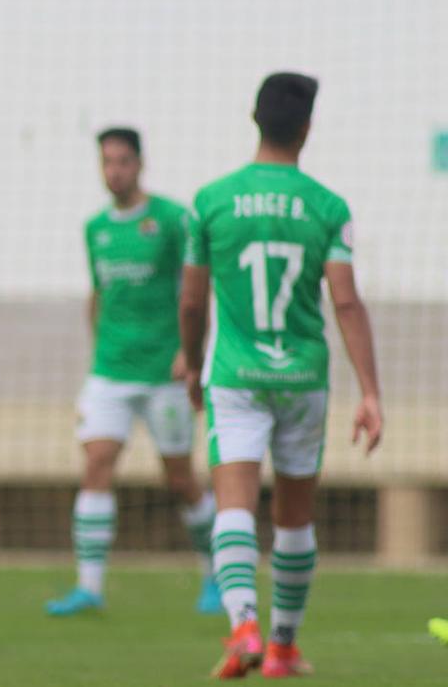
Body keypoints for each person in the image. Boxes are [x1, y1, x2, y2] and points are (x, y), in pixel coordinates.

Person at [179, 73, 383, 678]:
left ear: (254, 119)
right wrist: (371, 391)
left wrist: (192, 361)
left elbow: (192, 303)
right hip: (303, 377)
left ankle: (243, 625)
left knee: (234, 507)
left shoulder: (209, 201)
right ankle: (284, 647)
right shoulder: (328, 206)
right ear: (306, 128)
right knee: (294, 515)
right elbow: (345, 303)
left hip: (235, 373)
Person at [46, 128, 220, 617]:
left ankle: (214, 579)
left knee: (181, 479)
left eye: (123, 161)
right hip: (110, 371)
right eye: (107, 162)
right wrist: (96, 347)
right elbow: (99, 294)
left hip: (165, 370)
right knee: (96, 464)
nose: (114, 170)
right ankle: (89, 588)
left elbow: (196, 289)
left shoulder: (171, 220)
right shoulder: (95, 228)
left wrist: (193, 352)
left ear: (140, 164)